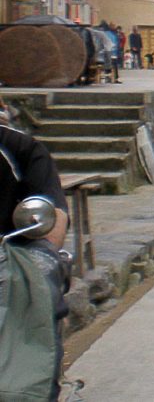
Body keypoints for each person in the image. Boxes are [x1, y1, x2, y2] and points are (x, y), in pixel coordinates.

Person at [0, 124, 71, 400]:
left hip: (11, 263)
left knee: (42, 285)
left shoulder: (18, 149)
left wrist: (39, 258)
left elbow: (53, 216)